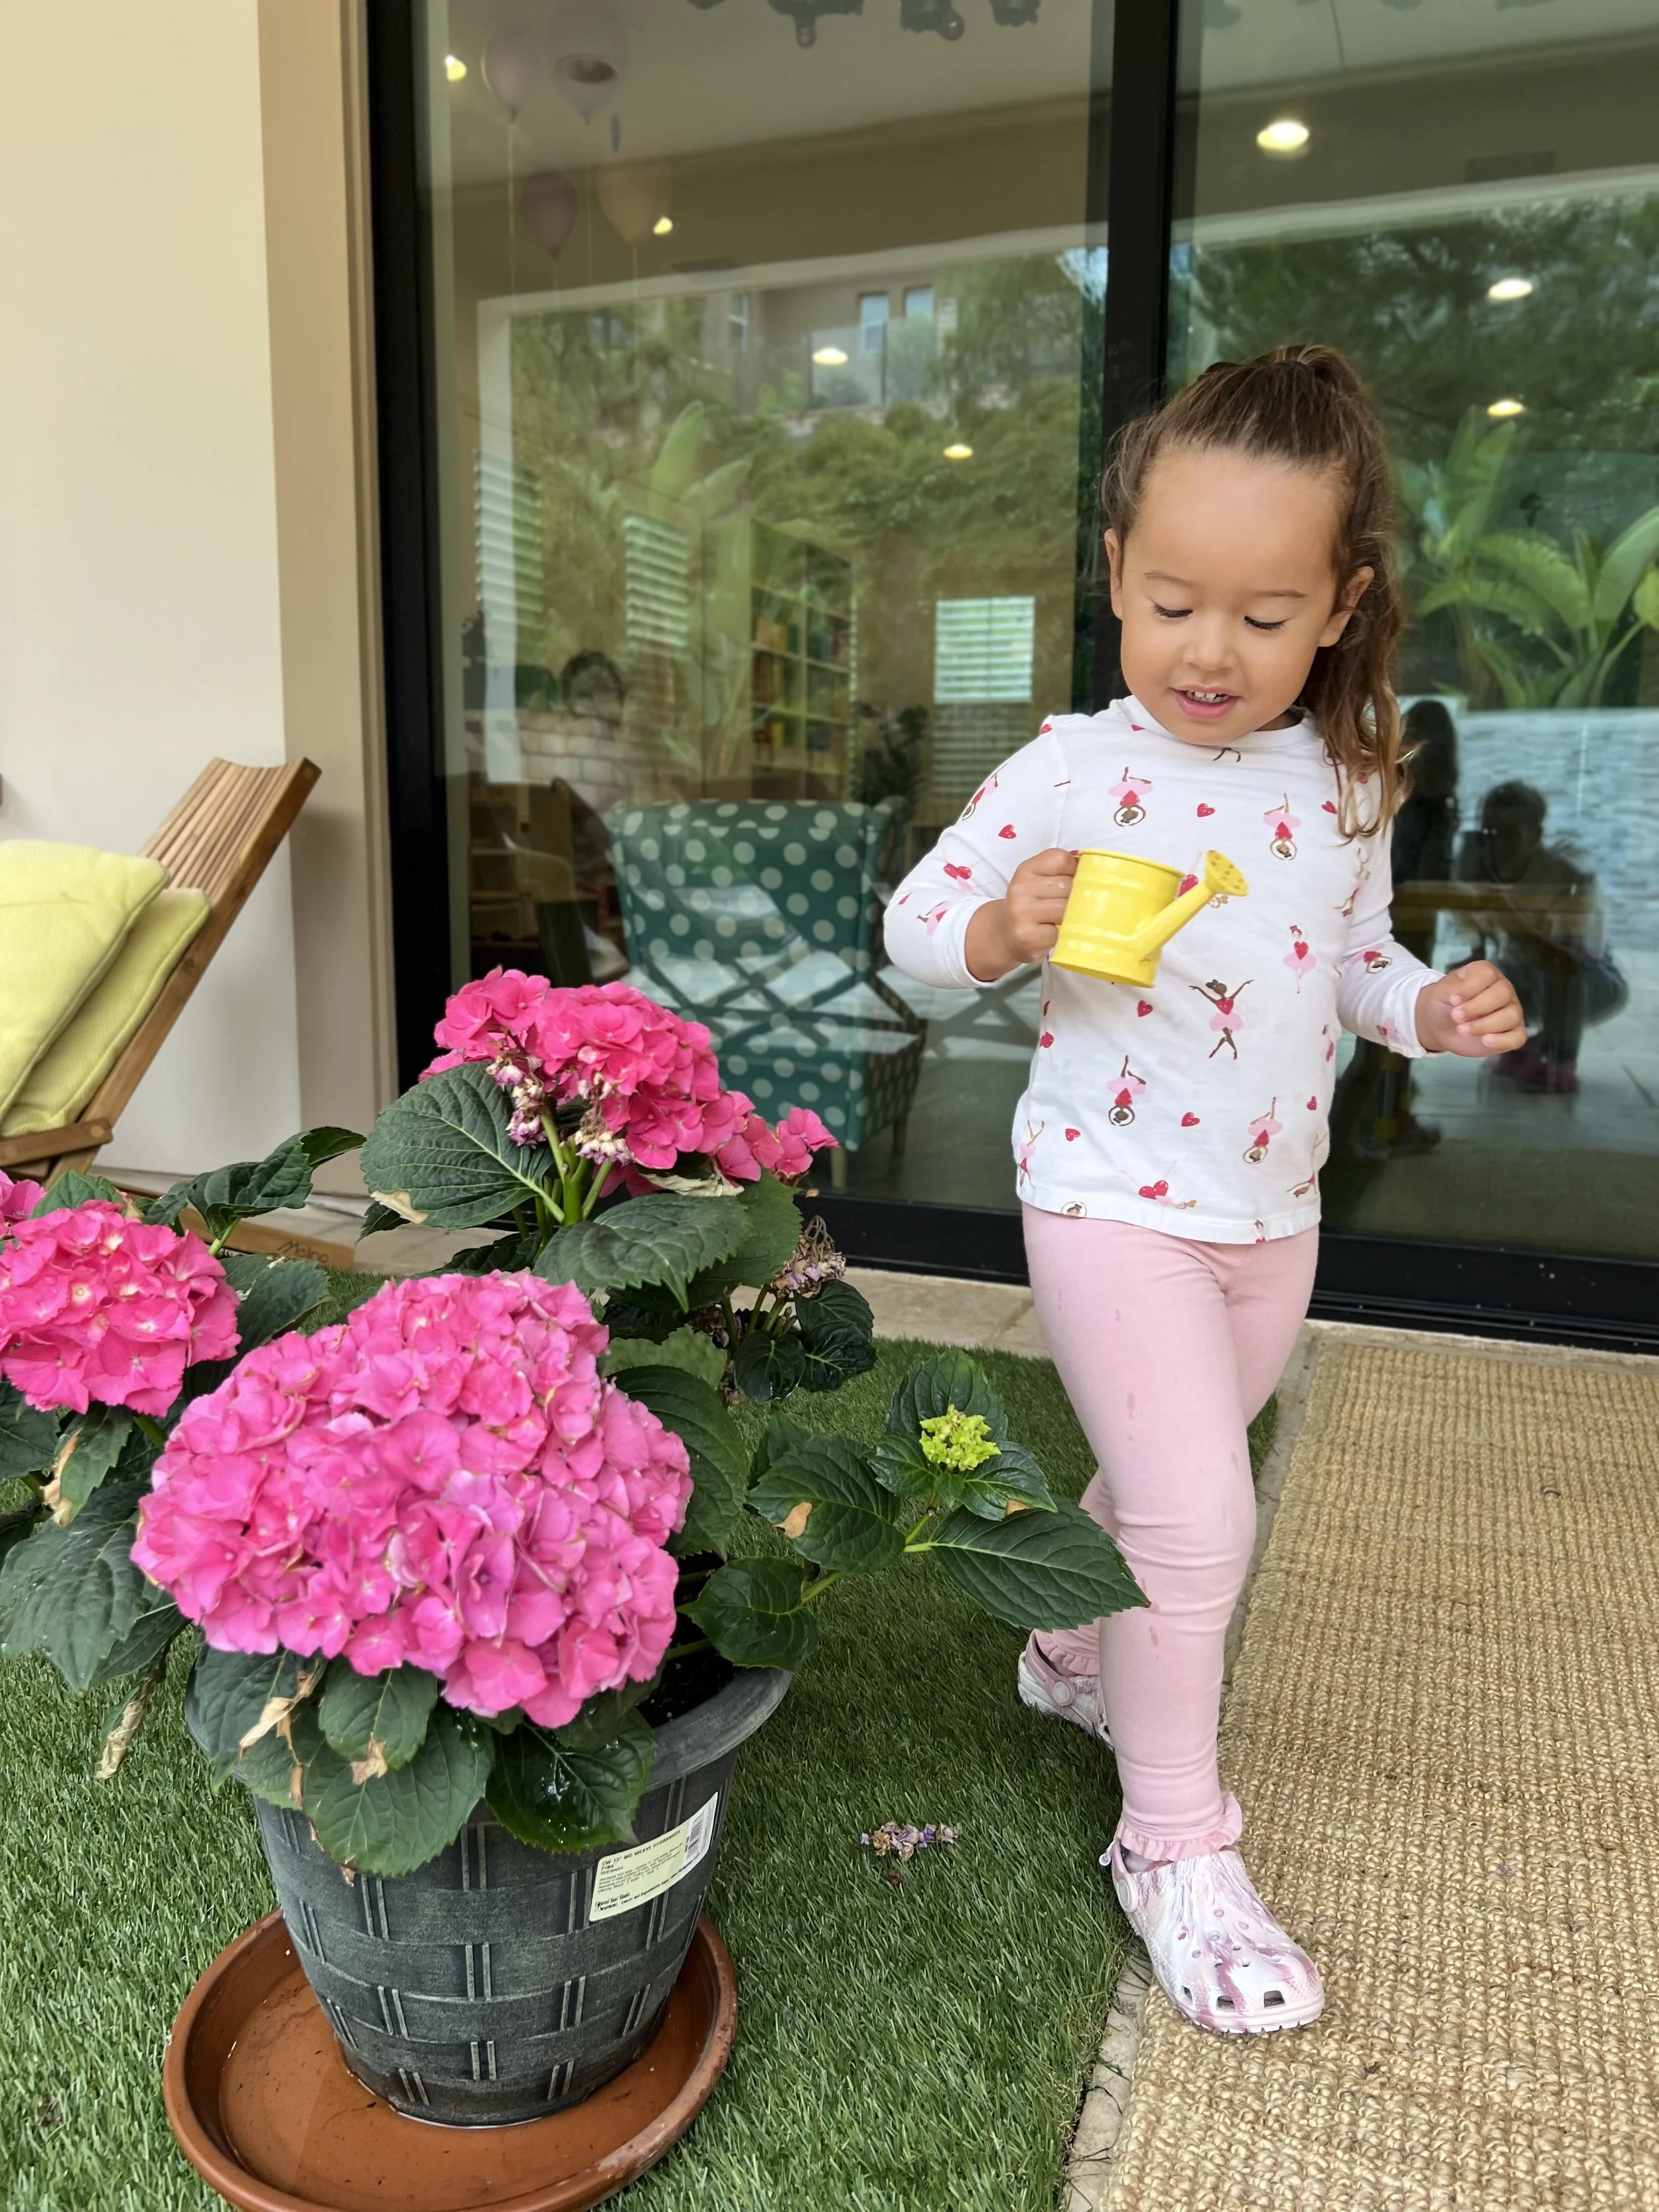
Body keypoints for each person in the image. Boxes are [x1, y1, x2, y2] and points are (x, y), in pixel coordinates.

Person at [883, 346, 1524, 2037]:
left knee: (1163, 1492)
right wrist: (1000, 928)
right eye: (1170, 601)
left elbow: (1355, 964)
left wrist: (1430, 1012)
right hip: (1105, 1197)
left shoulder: (1352, 779)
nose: (1207, 650)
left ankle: (1064, 1657)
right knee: (1199, 1519)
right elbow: (910, 929)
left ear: (1339, 607)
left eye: (1260, 612)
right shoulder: (1070, 769)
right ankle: (1172, 1844)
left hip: (1273, 1212)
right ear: (1112, 578)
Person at [1328, 696, 1460, 1157]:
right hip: (1398, 922)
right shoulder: (1411, 797)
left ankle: (1379, 1126)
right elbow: (1417, 872)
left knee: (1383, 1046)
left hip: (1404, 921)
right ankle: (1345, 1140)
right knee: (1376, 1049)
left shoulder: (1408, 792)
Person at [1457, 780, 1623, 1095]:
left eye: (1510, 835)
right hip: (1526, 975)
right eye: (1488, 834)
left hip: (1591, 982)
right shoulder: (1481, 868)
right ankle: (1525, 1045)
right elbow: (1475, 937)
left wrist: (1503, 910)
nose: (1497, 845)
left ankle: (1558, 1060)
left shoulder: (1568, 877)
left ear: (1534, 836)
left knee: (1559, 974)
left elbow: (1565, 963)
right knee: (1471, 983)